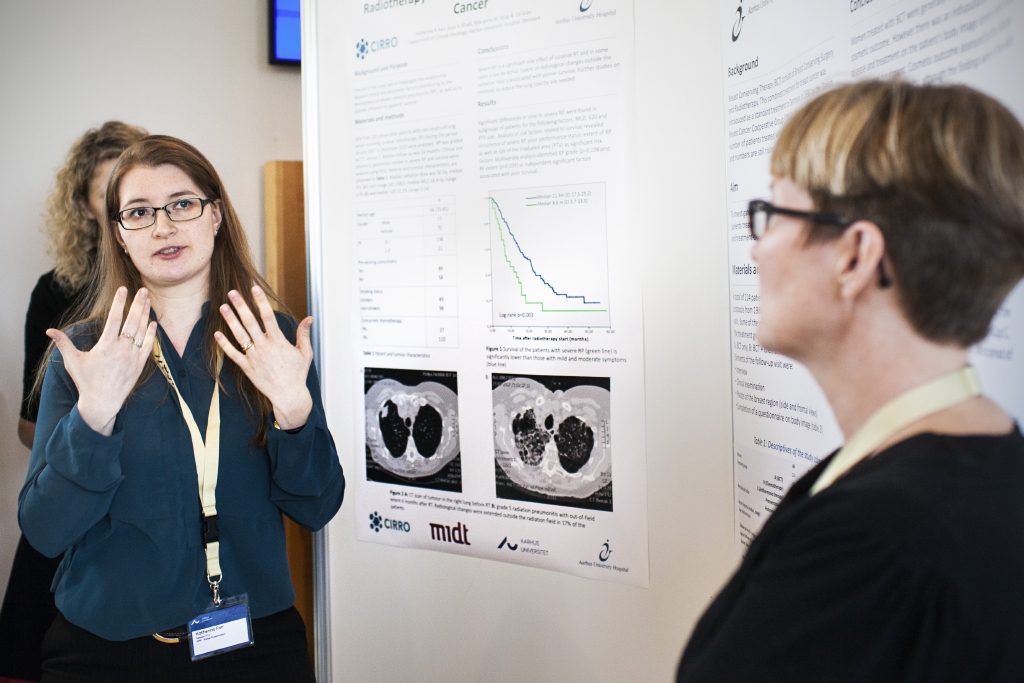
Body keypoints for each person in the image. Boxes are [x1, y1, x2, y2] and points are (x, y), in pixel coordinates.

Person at [677, 81, 1024, 681]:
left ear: (856, 256)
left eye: (774, 213)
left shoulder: (871, 548)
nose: (757, 251)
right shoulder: (987, 471)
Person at [18, 135, 345, 682]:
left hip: (257, 648)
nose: (163, 226)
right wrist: (93, 417)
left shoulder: (271, 340)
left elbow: (318, 507)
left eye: (182, 204)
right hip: (106, 655)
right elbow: (46, 530)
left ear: (215, 215)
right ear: (119, 235)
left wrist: (294, 413)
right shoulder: (85, 354)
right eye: (139, 213)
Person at [0, 121, 146, 683]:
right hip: (76, 494)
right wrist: (91, 413)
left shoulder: (175, 285)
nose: (125, 207)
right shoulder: (58, 292)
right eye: (108, 194)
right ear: (85, 207)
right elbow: (27, 429)